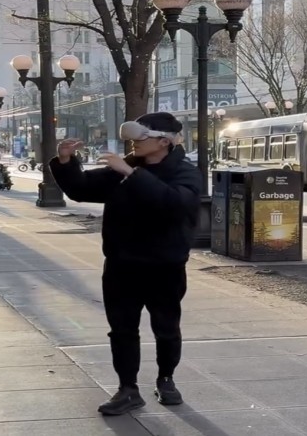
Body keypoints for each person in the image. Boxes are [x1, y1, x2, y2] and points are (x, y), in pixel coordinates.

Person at [49, 112, 202, 416]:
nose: (133, 144)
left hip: (165, 265)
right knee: (122, 330)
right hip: (122, 264)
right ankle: (128, 389)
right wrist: (66, 162)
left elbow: (175, 205)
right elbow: (82, 189)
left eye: (141, 138)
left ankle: (166, 379)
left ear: (163, 142)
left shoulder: (184, 172)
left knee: (167, 328)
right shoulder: (127, 167)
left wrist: (132, 175)